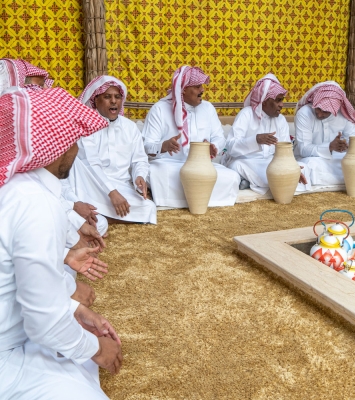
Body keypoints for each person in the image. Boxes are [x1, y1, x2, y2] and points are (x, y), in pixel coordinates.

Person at [0, 87, 122, 399]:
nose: (76, 149)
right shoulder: (32, 201)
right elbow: (43, 323)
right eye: (72, 140)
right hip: (7, 357)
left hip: (14, 333)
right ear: (55, 146)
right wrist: (96, 349)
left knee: (73, 356)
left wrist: (75, 310)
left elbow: (15, 285)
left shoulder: (19, 188)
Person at [142, 66, 240, 207]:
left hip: (201, 166)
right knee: (154, 172)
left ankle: (194, 198)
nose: (202, 90)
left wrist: (214, 147)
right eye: (197, 86)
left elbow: (220, 138)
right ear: (183, 89)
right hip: (170, 166)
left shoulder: (208, 108)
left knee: (232, 177)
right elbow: (146, 146)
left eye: (202, 86)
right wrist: (163, 146)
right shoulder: (159, 109)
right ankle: (186, 198)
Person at [68, 75, 157, 224]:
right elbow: (92, 164)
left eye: (117, 97)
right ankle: (103, 215)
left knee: (148, 207)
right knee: (76, 168)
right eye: (107, 97)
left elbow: (139, 159)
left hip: (121, 186)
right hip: (92, 184)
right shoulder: (87, 126)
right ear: (96, 100)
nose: (114, 101)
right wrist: (112, 192)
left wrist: (139, 177)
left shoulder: (130, 127)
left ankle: (99, 217)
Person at [222, 73, 308, 194]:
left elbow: (286, 151)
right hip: (246, 161)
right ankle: (250, 180)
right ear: (265, 101)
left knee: (304, 167)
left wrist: (291, 167)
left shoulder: (281, 120)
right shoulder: (246, 114)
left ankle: (249, 182)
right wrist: (256, 140)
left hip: (271, 162)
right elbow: (230, 147)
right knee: (236, 166)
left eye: (282, 100)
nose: (282, 105)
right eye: (278, 100)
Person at [293, 81, 355, 185]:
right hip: (308, 158)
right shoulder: (304, 114)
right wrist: (329, 147)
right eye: (318, 108)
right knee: (309, 165)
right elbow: (303, 149)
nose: (319, 114)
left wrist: (349, 147)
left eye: (325, 112)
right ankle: (342, 180)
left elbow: (354, 140)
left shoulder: (344, 115)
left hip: (335, 159)